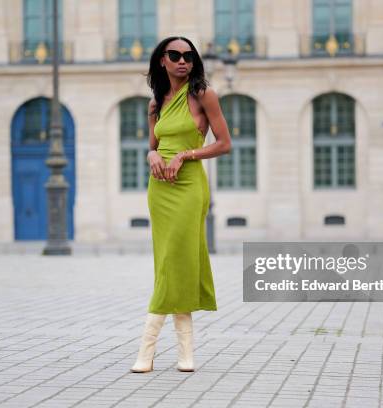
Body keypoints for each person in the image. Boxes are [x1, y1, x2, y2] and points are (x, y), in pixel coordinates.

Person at [130, 36, 232, 373]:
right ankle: (185, 353)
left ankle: (147, 350)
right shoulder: (156, 103)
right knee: (170, 262)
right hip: (160, 189)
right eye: (174, 55)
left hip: (189, 186)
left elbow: (224, 144)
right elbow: (153, 146)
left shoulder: (203, 94)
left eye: (188, 56)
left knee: (177, 258)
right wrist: (152, 154)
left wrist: (185, 155)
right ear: (162, 60)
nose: (182, 61)